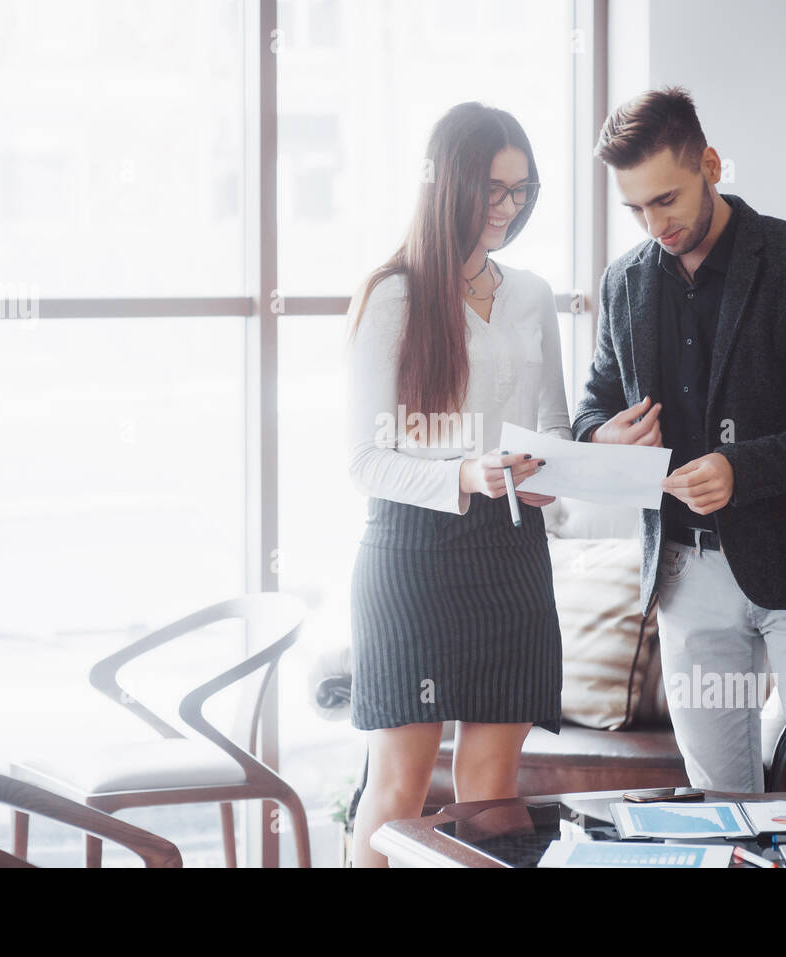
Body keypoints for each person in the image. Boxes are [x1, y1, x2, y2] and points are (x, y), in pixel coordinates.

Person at [574, 86, 786, 793]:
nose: (655, 224)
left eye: (667, 200)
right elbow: (593, 404)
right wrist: (605, 436)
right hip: (687, 573)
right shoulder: (623, 284)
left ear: (709, 162)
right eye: (636, 208)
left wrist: (740, 469)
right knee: (716, 798)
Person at [344, 101, 572, 867]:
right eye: (492, 189)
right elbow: (365, 460)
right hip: (412, 557)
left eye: (522, 190)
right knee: (399, 789)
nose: (509, 208)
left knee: (489, 794)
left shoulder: (534, 294)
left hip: (510, 551)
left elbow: (553, 431)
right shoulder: (394, 296)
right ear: (448, 187)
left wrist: (558, 474)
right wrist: (465, 473)